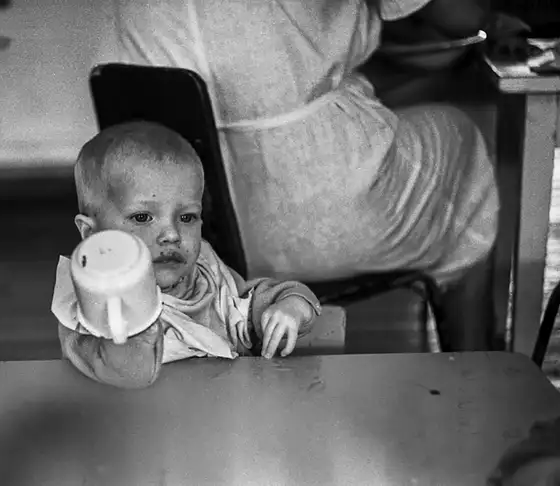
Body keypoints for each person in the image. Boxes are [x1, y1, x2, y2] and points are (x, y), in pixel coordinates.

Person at [92, 0, 527, 351]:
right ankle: (475, 365)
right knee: (460, 140)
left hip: (177, 214)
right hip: (316, 204)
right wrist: (494, 18)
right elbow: (453, 14)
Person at [51, 121, 346, 389]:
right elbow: (126, 374)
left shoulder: (205, 278)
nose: (172, 234)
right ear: (92, 234)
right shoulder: (88, 317)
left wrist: (291, 308)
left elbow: (256, 303)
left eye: (187, 217)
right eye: (142, 217)